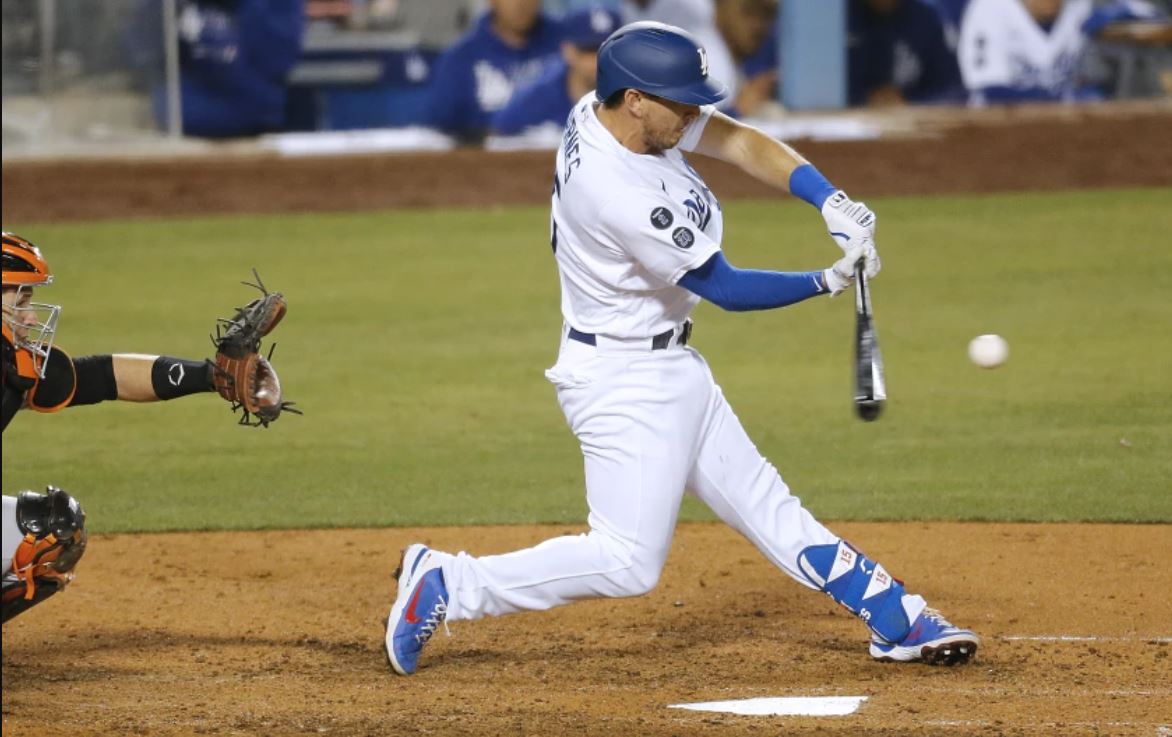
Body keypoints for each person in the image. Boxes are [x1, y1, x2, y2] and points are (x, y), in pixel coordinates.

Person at [383, 22, 979, 676]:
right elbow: (724, 286)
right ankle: (447, 582)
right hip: (621, 379)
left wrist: (827, 198)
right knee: (626, 561)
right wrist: (826, 280)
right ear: (636, 98)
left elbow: (739, 139)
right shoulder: (616, 192)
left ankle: (895, 616)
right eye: (682, 101)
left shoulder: (608, 109)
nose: (695, 113)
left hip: (668, 364)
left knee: (768, 505)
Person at [1, 232, 288, 623]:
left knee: (52, 528)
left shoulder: (11, 364)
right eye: (20, 302)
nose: (31, 317)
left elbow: (104, 376)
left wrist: (209, 376)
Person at [957, 0, 1160, 104]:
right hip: (1001, 124)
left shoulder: (1079, 6)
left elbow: (1155, 16)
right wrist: (1065, 99)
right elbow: (992, 91)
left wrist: (1119, 11)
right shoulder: (990, 9)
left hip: (1067, 125)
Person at [426, 0, 565, 142]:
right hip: (485, 160)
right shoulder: (459, 58)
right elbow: (441, 134)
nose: (520, 4)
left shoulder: (569, 46)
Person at [491, 6, 623, 136]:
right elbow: (499, 134)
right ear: (568, 51)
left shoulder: (635, 97)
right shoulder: (538, 99)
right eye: (589, 50)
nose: (598, 60)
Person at [848, 0, 966, 107]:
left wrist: (909, 104)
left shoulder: (926, 18)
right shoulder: (837, 17)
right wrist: (863, 100)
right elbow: (831, 94)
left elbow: (953, 92)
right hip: (844, 121)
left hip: (912, 122)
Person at [691, 0, 779, 116]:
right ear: (720, 7)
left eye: (768, 14)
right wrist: (736, 111)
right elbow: (687, 129)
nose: (758, 26)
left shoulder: (728, 55)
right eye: (749, 11)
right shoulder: (704, 59)